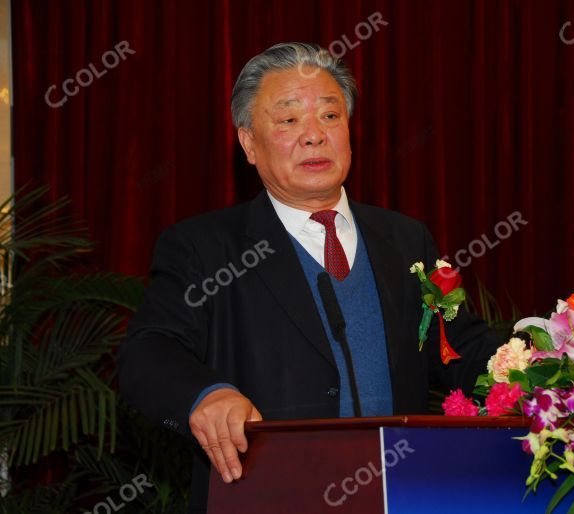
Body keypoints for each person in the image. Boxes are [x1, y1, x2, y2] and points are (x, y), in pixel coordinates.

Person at [117, 42, 502, 512]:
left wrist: (561, 359)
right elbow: (148, 351)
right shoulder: (206, 247)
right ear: (249, 143)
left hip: (403, 493)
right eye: (288, 120)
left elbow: (462, 347)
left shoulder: (405, 240)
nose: (315, 136)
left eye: (329, 116)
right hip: (266, 496)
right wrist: (206, 395)